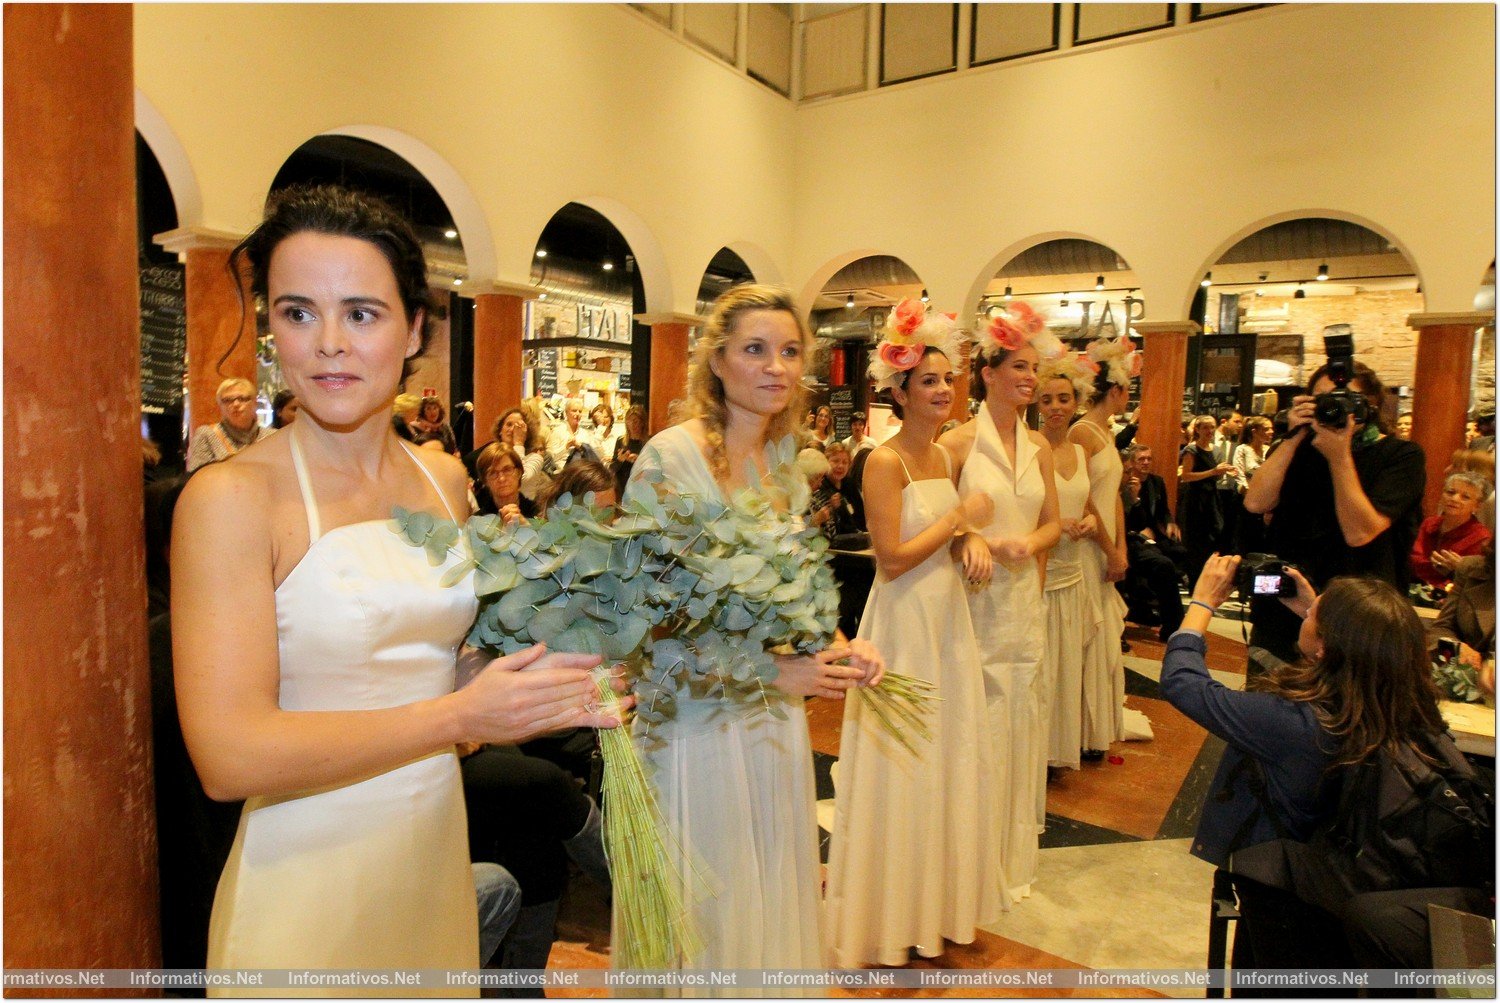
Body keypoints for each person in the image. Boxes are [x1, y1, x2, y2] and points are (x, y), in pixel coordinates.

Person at [171, 185, 624, 988]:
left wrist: (539, 687)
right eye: (298, 312)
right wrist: (455, 714)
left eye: (362, 313)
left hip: (426, 848)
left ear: (415, 327)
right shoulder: (232, 499)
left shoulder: (444, 481)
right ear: (271, 326)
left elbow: (422, 666)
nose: (328, 344)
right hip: (306, 874)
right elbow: (228, 755)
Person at [620, 283, 883, 980]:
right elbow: (649, 628)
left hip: (770, 727)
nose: (777, 366)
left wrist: (835, 644)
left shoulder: (784, 457)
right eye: (756, 350)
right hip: (693, 725)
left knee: (766, 893)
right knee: (708, 911)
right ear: (717, 361)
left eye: (791, 351)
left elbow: (791, 597)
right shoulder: (669, 461)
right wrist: (770, 671)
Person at [1161, 554, 1476, 973]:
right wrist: (1312, 612)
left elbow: (1183, 684)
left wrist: (1201, 604)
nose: (1309, 611)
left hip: (1286, 888)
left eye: (1315, 615)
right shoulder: (1405, 704)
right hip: (1359, 881)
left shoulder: (1297, 722)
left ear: (1327, 644)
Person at [826, 312, 1004, 966]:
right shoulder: (884, 459)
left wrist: (972, 536)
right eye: (928, 381)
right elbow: (894, 556)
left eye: (947, 379)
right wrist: (961, 516)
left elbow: (948, 534)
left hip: (945, 619)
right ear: (898, 391)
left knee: (945, 754)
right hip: (902, 622)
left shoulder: (942, 454)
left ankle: (932, 908)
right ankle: (888, 912)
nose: (942, 390)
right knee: (904, 759)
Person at [940, 301, 1061, 899]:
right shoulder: (957, 443)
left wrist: (1026, 543)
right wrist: (969, 536)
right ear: (987, 373)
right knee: (979, 718)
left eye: (1034, 369)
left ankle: (1010, 857)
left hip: (1024, 602)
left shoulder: (1039, 445)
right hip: (973, 601)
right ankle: (969, 860)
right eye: (1018, 366)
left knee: (1020, 718)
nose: (1029, 379)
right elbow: (937, 517)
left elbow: (1054, 525)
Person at [1243, 360, 1425, 666]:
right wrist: (1293, 436)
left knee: (1342, 711)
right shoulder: (1296, 449)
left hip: (1356, 619)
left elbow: (1359, 532)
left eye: (1343, 399)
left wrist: (1339, 454)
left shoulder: (1400, 456)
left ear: (1372, 404)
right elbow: (1256, 503)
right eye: (1322, 399)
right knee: (1267, 706)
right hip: (1284, 607)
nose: (1331, 408)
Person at [1068, 336, 1136, 757]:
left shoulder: (1104, 433)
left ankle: (1096, 727)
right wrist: (1109, 549)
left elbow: (1113, 497)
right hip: (1088, 544)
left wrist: (1122, 547)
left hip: (1106, 539)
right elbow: (1084, 497)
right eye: (1128, 389)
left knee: (1105, 633)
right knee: (1088, 631)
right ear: (1116, 390)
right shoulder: (1082, 432)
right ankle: (1079, 727)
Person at [1035, 365, 1099, 772]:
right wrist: (1056, 526)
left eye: (1064, 399)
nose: (1056, 407)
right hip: (1043, 572)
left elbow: (1086, 502)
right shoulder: (1030, 447)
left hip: (1074, 573)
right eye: (1047, 399)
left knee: (1065, 668)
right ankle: (1034, 751)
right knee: (1040, 668)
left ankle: (1058, 746)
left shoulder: (1080, 451)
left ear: (1076, 403)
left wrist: (1091, 523)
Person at [1119, 444, 1187, 640]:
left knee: (1179, 552)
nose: (1146, 462)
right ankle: (1172, 625)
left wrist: (1170, 523)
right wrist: (1135, 499)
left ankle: (1152, 607)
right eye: (1141, 459)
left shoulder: (1156, 482)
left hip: (1151, 535)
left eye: (1149, 458)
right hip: (1130, 538)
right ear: (1131, 464)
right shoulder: (1124, 485)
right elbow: (1132, 520)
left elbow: (1163, 511)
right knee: (1162, 564)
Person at [1410, 471, 1493, 587]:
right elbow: (1414, 560)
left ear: (1477, 506)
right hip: (1414, 584)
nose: (1454, 499)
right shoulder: (1429, 523)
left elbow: (1474, 580)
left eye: (1465, 497)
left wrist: (1459, 568)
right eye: (1450, 492)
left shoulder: (1481, 537)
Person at [1179, 414, 1235, 585]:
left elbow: (1214, 476)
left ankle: (1209, 578)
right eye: (1205, 427)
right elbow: (1186, 476)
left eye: (1212, 427)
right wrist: (1213, 472)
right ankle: (1195, 580)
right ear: (1197, 429)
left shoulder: (1216, 450)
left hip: (1212, 498)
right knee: (1197, 540)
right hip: (1196, 500)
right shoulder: (1192, 450)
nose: (1210, 431)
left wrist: (1224, 472)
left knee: (1214, 535)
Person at [185, 377, 273, 472]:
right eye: (227, 400)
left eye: (242, 398)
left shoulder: (272, 436)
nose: (235, 404)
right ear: (220, 405)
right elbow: (196, 477)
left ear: (255, 403)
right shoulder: (206, 434)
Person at [1232, 416, 1274, 553]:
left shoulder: (1269, 449)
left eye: (1271, 428)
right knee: (1246, 538)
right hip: (1246, 499)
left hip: (1267, 500)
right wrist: (1249, 495)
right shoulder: (1243, 449)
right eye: (1266, 429)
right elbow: (1239, 474)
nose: (1271, 432)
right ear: (1254, 431)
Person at [474, 442, 535, 525]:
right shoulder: (477, 522)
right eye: (493, 473)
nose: (502, 478)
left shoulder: (539, 512)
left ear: (519, 472)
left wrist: (526, 526)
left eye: (507, 470)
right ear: (485, 480)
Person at [611, 404, 647, 497]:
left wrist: (639, 460)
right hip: (623, 487)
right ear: (627, 422)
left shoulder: (648, 442)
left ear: (643, 423)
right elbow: (612, 469)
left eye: (638, 421)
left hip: (641, 488)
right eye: (632, 421)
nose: (635, 425)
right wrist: (620, 460)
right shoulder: (621, 441)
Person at [545, 398, 591, 468]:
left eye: (580, 411)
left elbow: (590, 456)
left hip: (581, 470)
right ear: (566, 413)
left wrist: (581, 447)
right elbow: (551, 458)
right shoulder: (558, 431)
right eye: (574, 411)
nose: (577, 414)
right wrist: (566, 447)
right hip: (562, 471)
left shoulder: (584, 434)